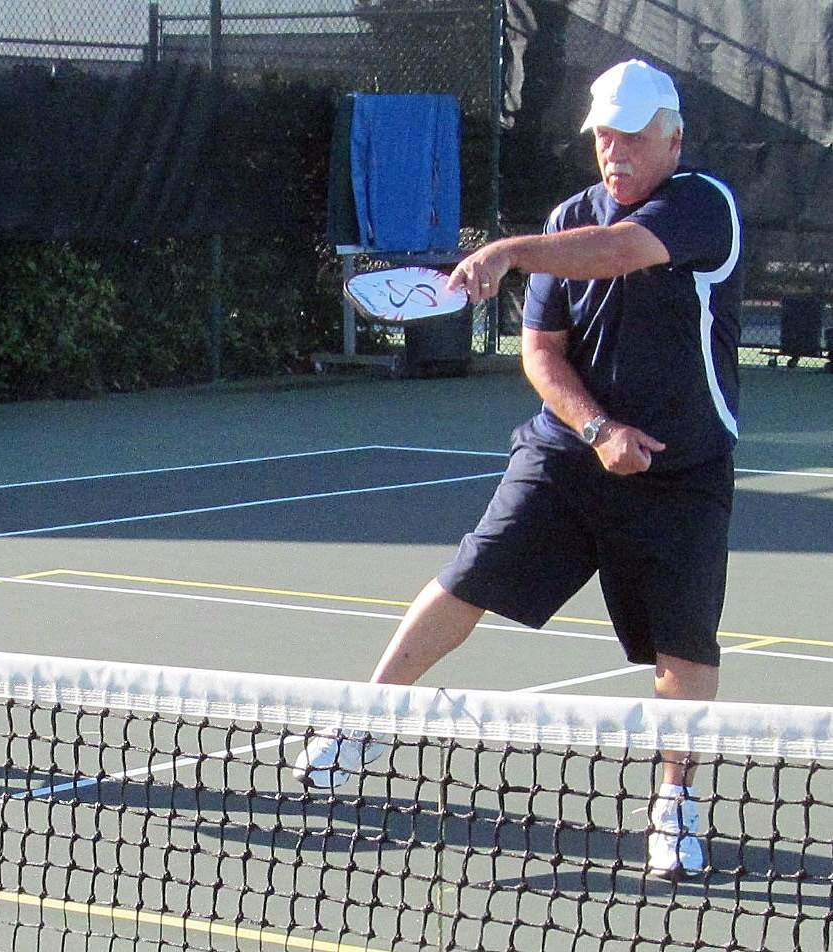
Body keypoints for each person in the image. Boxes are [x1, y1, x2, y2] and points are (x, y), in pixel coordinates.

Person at [295, 60, 741, 881]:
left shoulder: (702, 206)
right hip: (569, 457)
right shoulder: (569, 215)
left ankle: (673, 804)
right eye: (603, 135)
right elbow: (541, 353)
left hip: (681, 472)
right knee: (467, 577)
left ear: (672, 139)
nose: (614, 150)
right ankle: (360, 718)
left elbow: (613, 253)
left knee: (682, 649)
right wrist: (597, 426)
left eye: (633, 135)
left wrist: (502, 251)